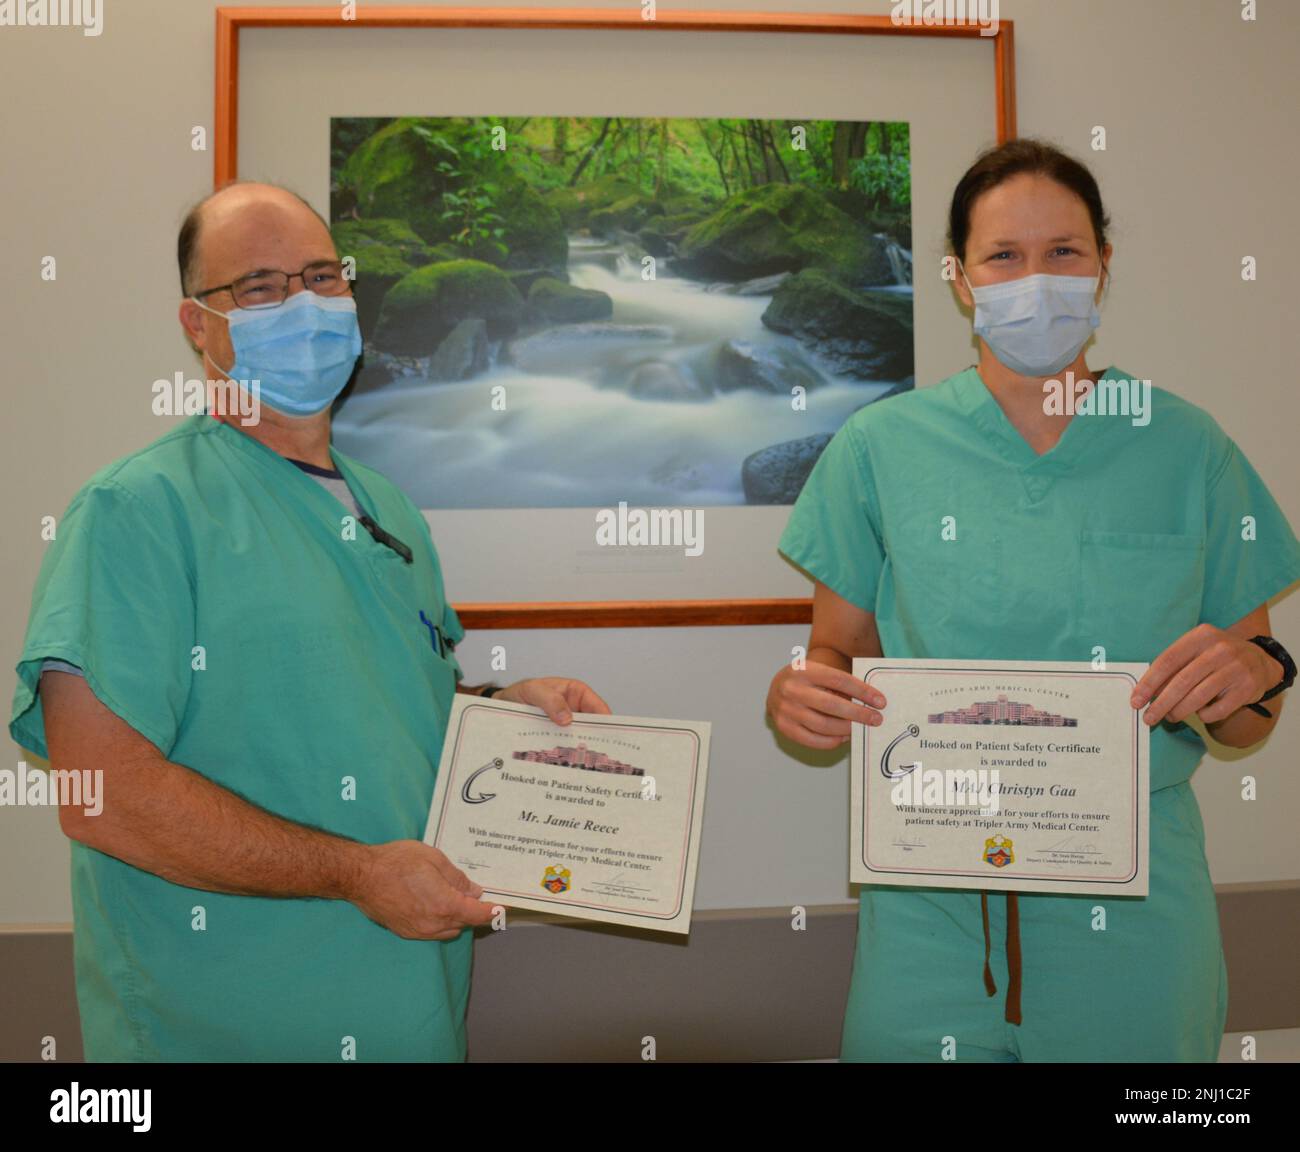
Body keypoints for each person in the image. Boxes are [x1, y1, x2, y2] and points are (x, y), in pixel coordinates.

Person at [9, 181, 610, 1062]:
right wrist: (357, 874)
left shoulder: (391, 512)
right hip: (219, 1024)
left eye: (324, 276)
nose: (306, 304)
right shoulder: (137, 512)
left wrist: (500, 707)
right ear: (197, 326)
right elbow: (105, 798)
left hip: (410, 1009)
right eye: (259, 287)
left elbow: (378, 703)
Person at [767, 138, 1300, 1062]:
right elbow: (835, 655)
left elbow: (1251, 718)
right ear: (960, 278)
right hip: (930, 895)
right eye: (1003, 257)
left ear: (1103, 270)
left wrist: (1250, 677)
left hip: (1133, 905)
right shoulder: (879, 447)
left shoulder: (1185, 447)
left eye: (1065, 252)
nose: (1037, 279)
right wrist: (803, 695)